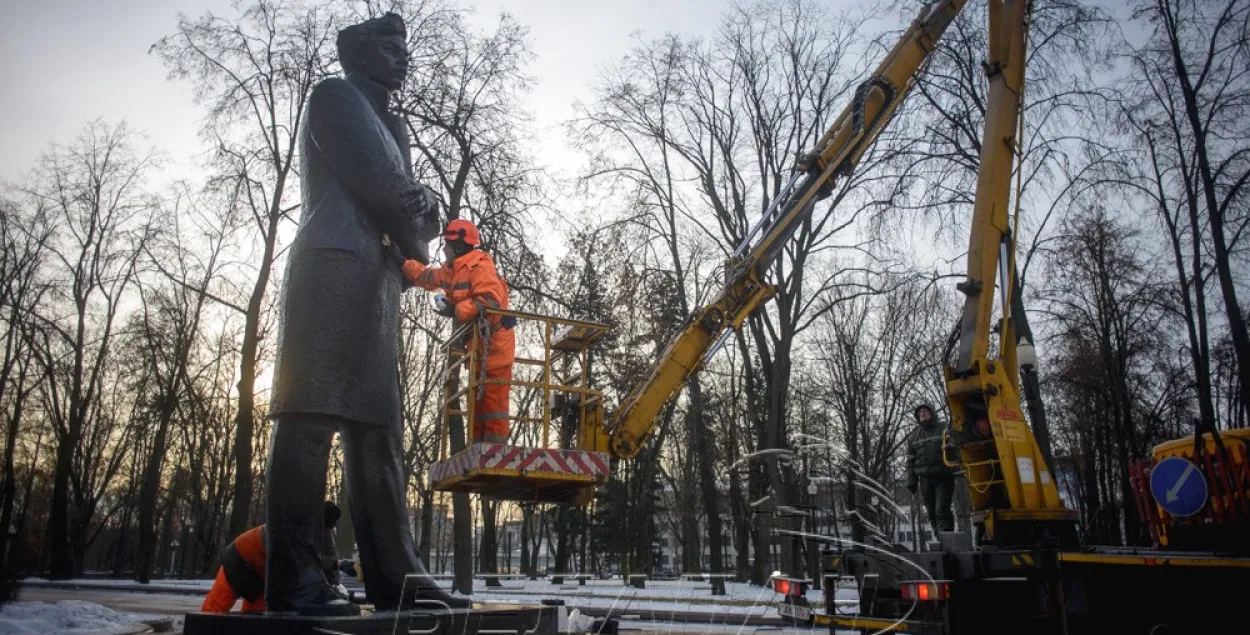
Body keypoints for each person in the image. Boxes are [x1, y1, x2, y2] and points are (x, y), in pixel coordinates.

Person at [265, 12, 468, 614]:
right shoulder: (335, 97)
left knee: (379, 434)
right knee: (308, 418)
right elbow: (395, 196)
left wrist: (416, 220)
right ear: (357, 53)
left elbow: (412, 233)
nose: (401, 56)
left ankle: (396, 577)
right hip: (330, 266)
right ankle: (295, 576)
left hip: (379, 282)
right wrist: (423, 207)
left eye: (404, 47)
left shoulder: (394, 123)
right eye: (387, 46)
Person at [403, 219, 516, 444]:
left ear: (458, 246)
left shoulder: (479, 266)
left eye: (446, 244)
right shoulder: (452, 270)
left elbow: (491, 298)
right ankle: (478, 452)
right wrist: (402, 262)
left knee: (493, 405)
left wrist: (457, 310)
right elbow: (427, 277)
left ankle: (494, 454)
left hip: (495, 347)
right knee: (477, 402)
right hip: (478, 348)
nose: (444, 248)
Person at [203, 502, 349, 613]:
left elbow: (329, 558)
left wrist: (334, 585)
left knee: (256, 614)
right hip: (241, 557)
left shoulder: (325, 532)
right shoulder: (293, 526)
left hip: (263, 573)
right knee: (216, 606)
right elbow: (302, 557)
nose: (328, 530)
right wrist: (336, 563)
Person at [906, 403, 956, 536]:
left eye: (925, 411)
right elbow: (910, 461)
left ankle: (947, 539)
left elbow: (956, 446)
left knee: (942, 510)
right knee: (931, 512)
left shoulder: (944, 428)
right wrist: (911, 481)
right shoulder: (913, 437)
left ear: (932, 413)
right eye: (920, 412)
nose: (922, 413)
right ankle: (939, 538)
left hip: (943, 476)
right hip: (925, 479)